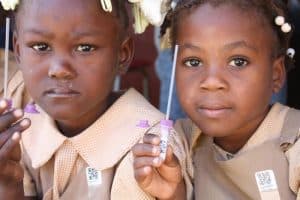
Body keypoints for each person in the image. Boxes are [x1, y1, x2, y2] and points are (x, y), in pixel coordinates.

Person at [0, 0, 188, 199]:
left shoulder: (148, 150)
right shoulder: (21, 121)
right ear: (18, 51)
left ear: (122, 54)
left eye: (85, 48)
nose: (59, 69)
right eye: (40, 46)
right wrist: (8, 183)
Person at [133, 0, 300, 199]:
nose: (211, 82)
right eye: (193, 61)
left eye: (238, 61)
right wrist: (174, 193)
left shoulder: (294, 143)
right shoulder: (176, 147)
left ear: (276, 74)